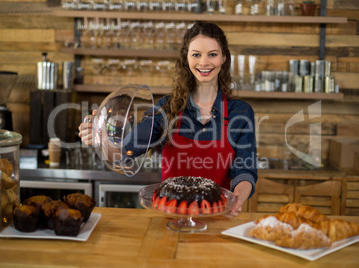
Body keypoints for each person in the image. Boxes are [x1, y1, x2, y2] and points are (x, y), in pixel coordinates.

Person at [79, 21, 258, 216]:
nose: (204, 62)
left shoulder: (240, 112)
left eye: (212, 54)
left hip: (217, 216)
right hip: (171, 218)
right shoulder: (166, 109)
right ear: (186, 58)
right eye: (196, 54)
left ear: (223, 58)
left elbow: (245, 170)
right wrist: (101, 136)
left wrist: (237, 198)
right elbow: (124, 152)